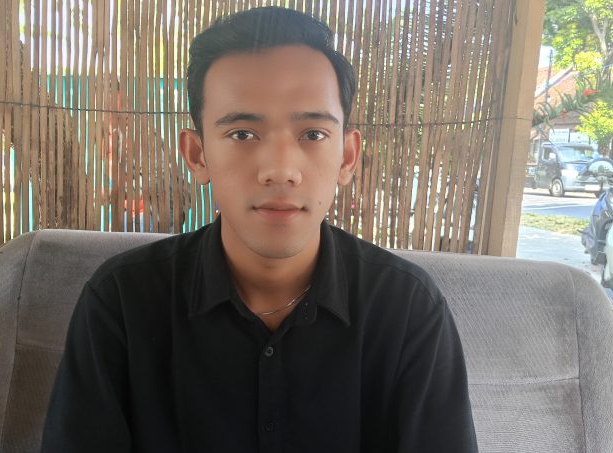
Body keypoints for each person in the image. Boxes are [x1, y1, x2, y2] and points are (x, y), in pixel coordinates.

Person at [42, 6, 478, 452]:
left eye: (313, 134)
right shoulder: (121, 304)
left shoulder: (408, 313)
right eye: (242, 134)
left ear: (347, 157)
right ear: (197, 155)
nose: (280, 170)